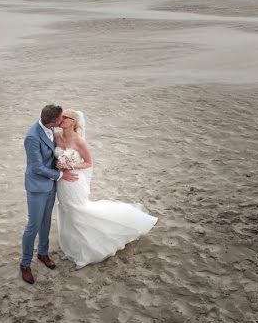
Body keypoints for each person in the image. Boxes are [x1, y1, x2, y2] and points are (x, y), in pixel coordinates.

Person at [55, 110, 157, 270]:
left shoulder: (79, 141)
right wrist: (59, 167)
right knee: (67, 213)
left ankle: (85, 254)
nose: (61, 120)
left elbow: (89, 162)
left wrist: (71, 165)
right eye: (61, 117)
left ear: (73, 121)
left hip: (75, 182)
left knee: (78, 212)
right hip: (62, 182)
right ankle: (72, 249)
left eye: (65, 117)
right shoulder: (57, 136)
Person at [20, 104, 78, 284]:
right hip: (37, 187)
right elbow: (37, 167)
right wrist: (61, 174)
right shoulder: (32, 137)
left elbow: (54, 155)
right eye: (61, 118)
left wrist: (64, 161)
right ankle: (25, 263)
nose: (63, 120)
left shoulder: (53, 130)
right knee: (33, 226)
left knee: (46, 222)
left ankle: (43, 254)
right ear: (52, 121)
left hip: (51, 186)